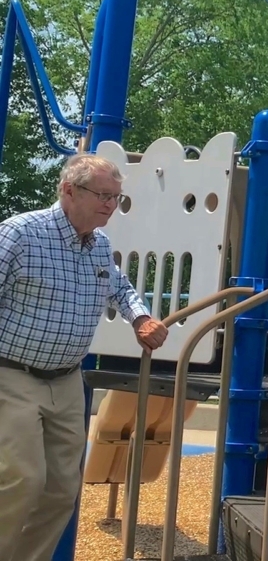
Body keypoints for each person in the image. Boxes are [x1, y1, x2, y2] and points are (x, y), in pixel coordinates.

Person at [0, 153, 169, 561]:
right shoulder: (20, 233)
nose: (110, 205)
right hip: (13, 375)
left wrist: (141, 316)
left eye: (116, 197)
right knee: (22, 477)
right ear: (68, 190)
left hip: (67, 380)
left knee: (62, 489)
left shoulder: (99, 246)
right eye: (102, 195)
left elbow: (121, 287)